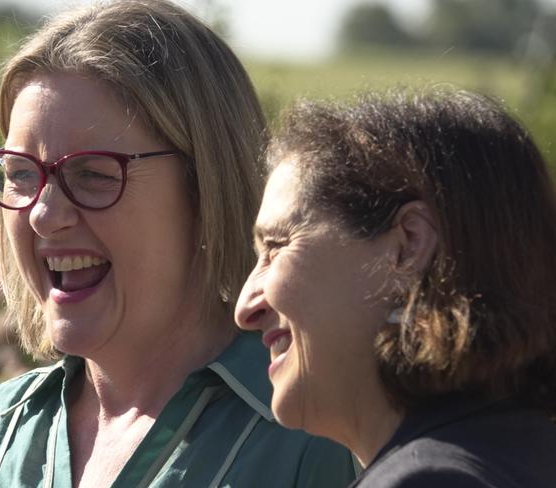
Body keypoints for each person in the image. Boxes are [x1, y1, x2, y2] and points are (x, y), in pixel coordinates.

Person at [0, 1, 357, 487]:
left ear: (206, 187)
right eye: (20, 173)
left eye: (93, 174)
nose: (43, 214)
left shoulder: (313, 437)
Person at [235, 88, 556, 487]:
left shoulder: (430, 479)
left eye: (276, 246)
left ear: (409, 245)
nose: (245, 308)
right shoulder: (520, 456)